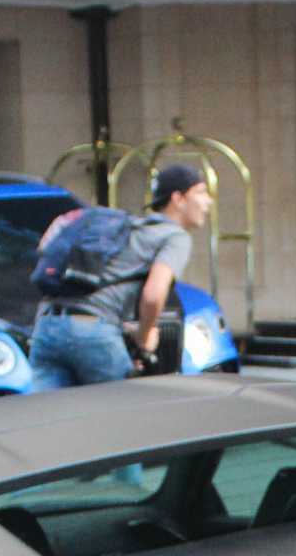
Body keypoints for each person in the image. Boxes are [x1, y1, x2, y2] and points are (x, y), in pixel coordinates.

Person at [28, 163, 214, 391]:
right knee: (125, 414)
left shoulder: (127, 227)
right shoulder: (174, 237)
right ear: (178, 199)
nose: (208, 201)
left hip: (46, 326)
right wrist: (145, 337)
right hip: (92, 330)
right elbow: (154, 295)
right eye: (201, 192)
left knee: (54, 420)